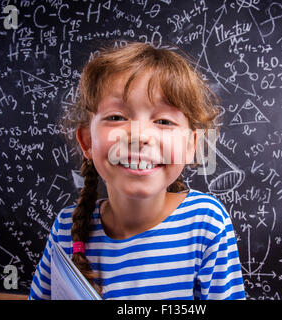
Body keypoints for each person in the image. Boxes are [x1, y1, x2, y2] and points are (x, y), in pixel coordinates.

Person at [29, 41, 246, 300]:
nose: (140, 136)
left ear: (192, 146)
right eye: (117, 117)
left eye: (164, 121)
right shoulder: (65, 229)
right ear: (87, 141)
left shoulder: (204, 224)